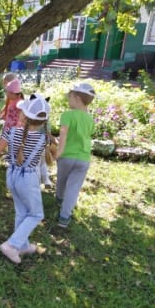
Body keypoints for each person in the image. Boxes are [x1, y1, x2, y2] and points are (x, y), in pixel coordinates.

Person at [0, 94, 50, 264]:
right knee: (36, 214)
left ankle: (22, 245)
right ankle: (12, 245)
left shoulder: (10, 131)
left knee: (22, 212)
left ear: (24, 114)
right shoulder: (44, 138)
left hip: (12, 175)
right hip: (28, 179)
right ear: (44, 121)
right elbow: (54, 155)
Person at [55, 83, 96, 228]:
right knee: (73, 188)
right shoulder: (91, 119)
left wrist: (59, 151)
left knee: (61, 180)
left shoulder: (67, 114)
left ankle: (59, 200)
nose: (68, 99)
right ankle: (64, 218)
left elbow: (64, 133)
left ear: (77, 98)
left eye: (70, 96)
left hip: (66, 156)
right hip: (83, 159)